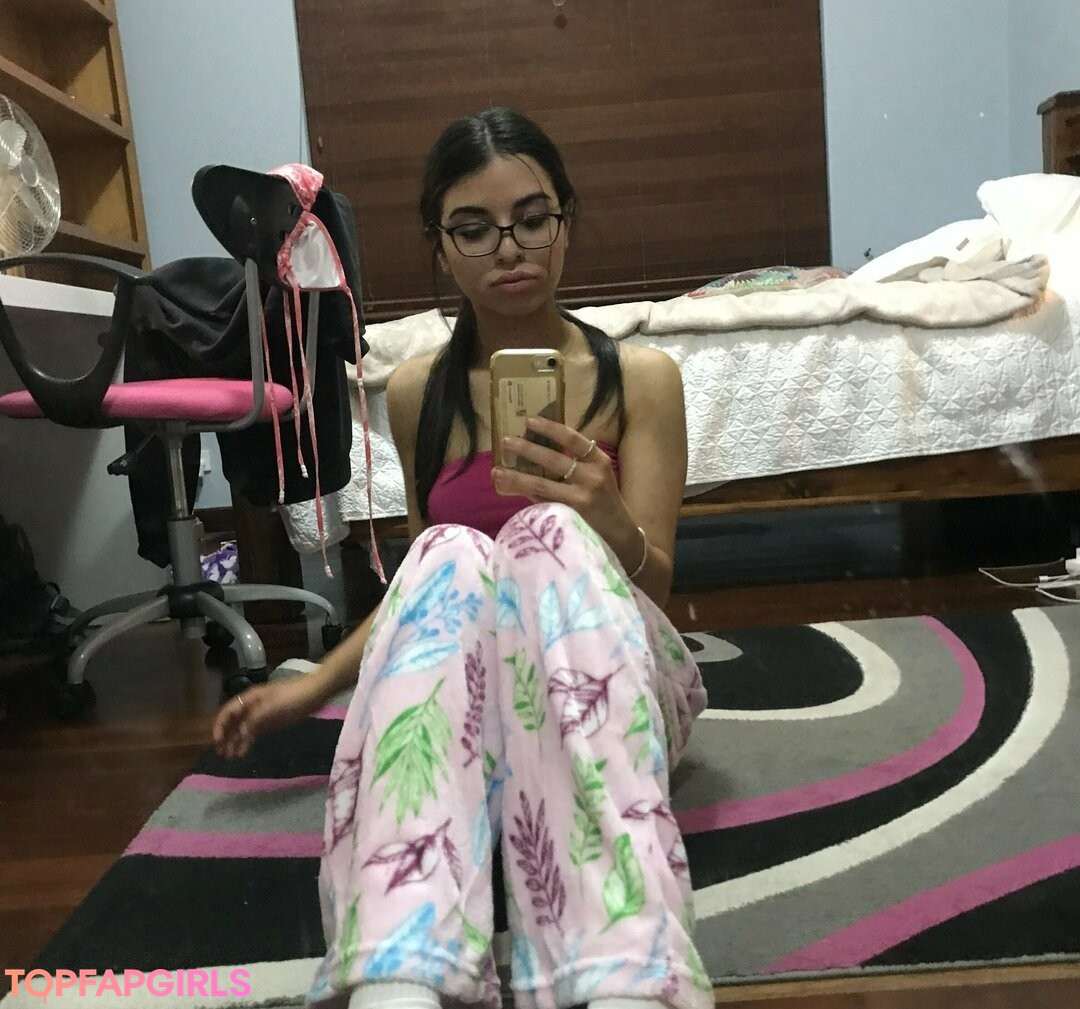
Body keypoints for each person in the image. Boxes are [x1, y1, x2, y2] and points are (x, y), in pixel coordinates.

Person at [213, 107, 710, 1009]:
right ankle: (401, 970)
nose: (508, 249)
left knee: (548, 538)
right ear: (440, 249)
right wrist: (313, 684)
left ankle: (623, 971)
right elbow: (427, 596)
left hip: (614, 692)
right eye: (474, 229)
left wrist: (602, 513)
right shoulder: (416, 393)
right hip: (471, 707)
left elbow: (658, 582)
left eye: (532, 219)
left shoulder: (642, 379)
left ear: (566, 223)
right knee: (448, 548)